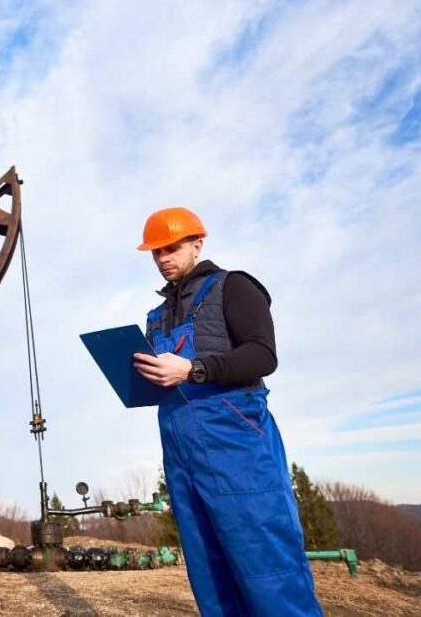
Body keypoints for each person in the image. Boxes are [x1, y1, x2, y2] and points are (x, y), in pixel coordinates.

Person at [132, 207, 322, 616]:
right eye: (156, 252)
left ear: (198, 243)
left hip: (236, 442)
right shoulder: (156, 316)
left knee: (266, 560)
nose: (164, 258)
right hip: (181, 446)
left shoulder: (233, 287)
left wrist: (195, 369)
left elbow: (262, 354)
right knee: (208, 566)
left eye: (172, 248)